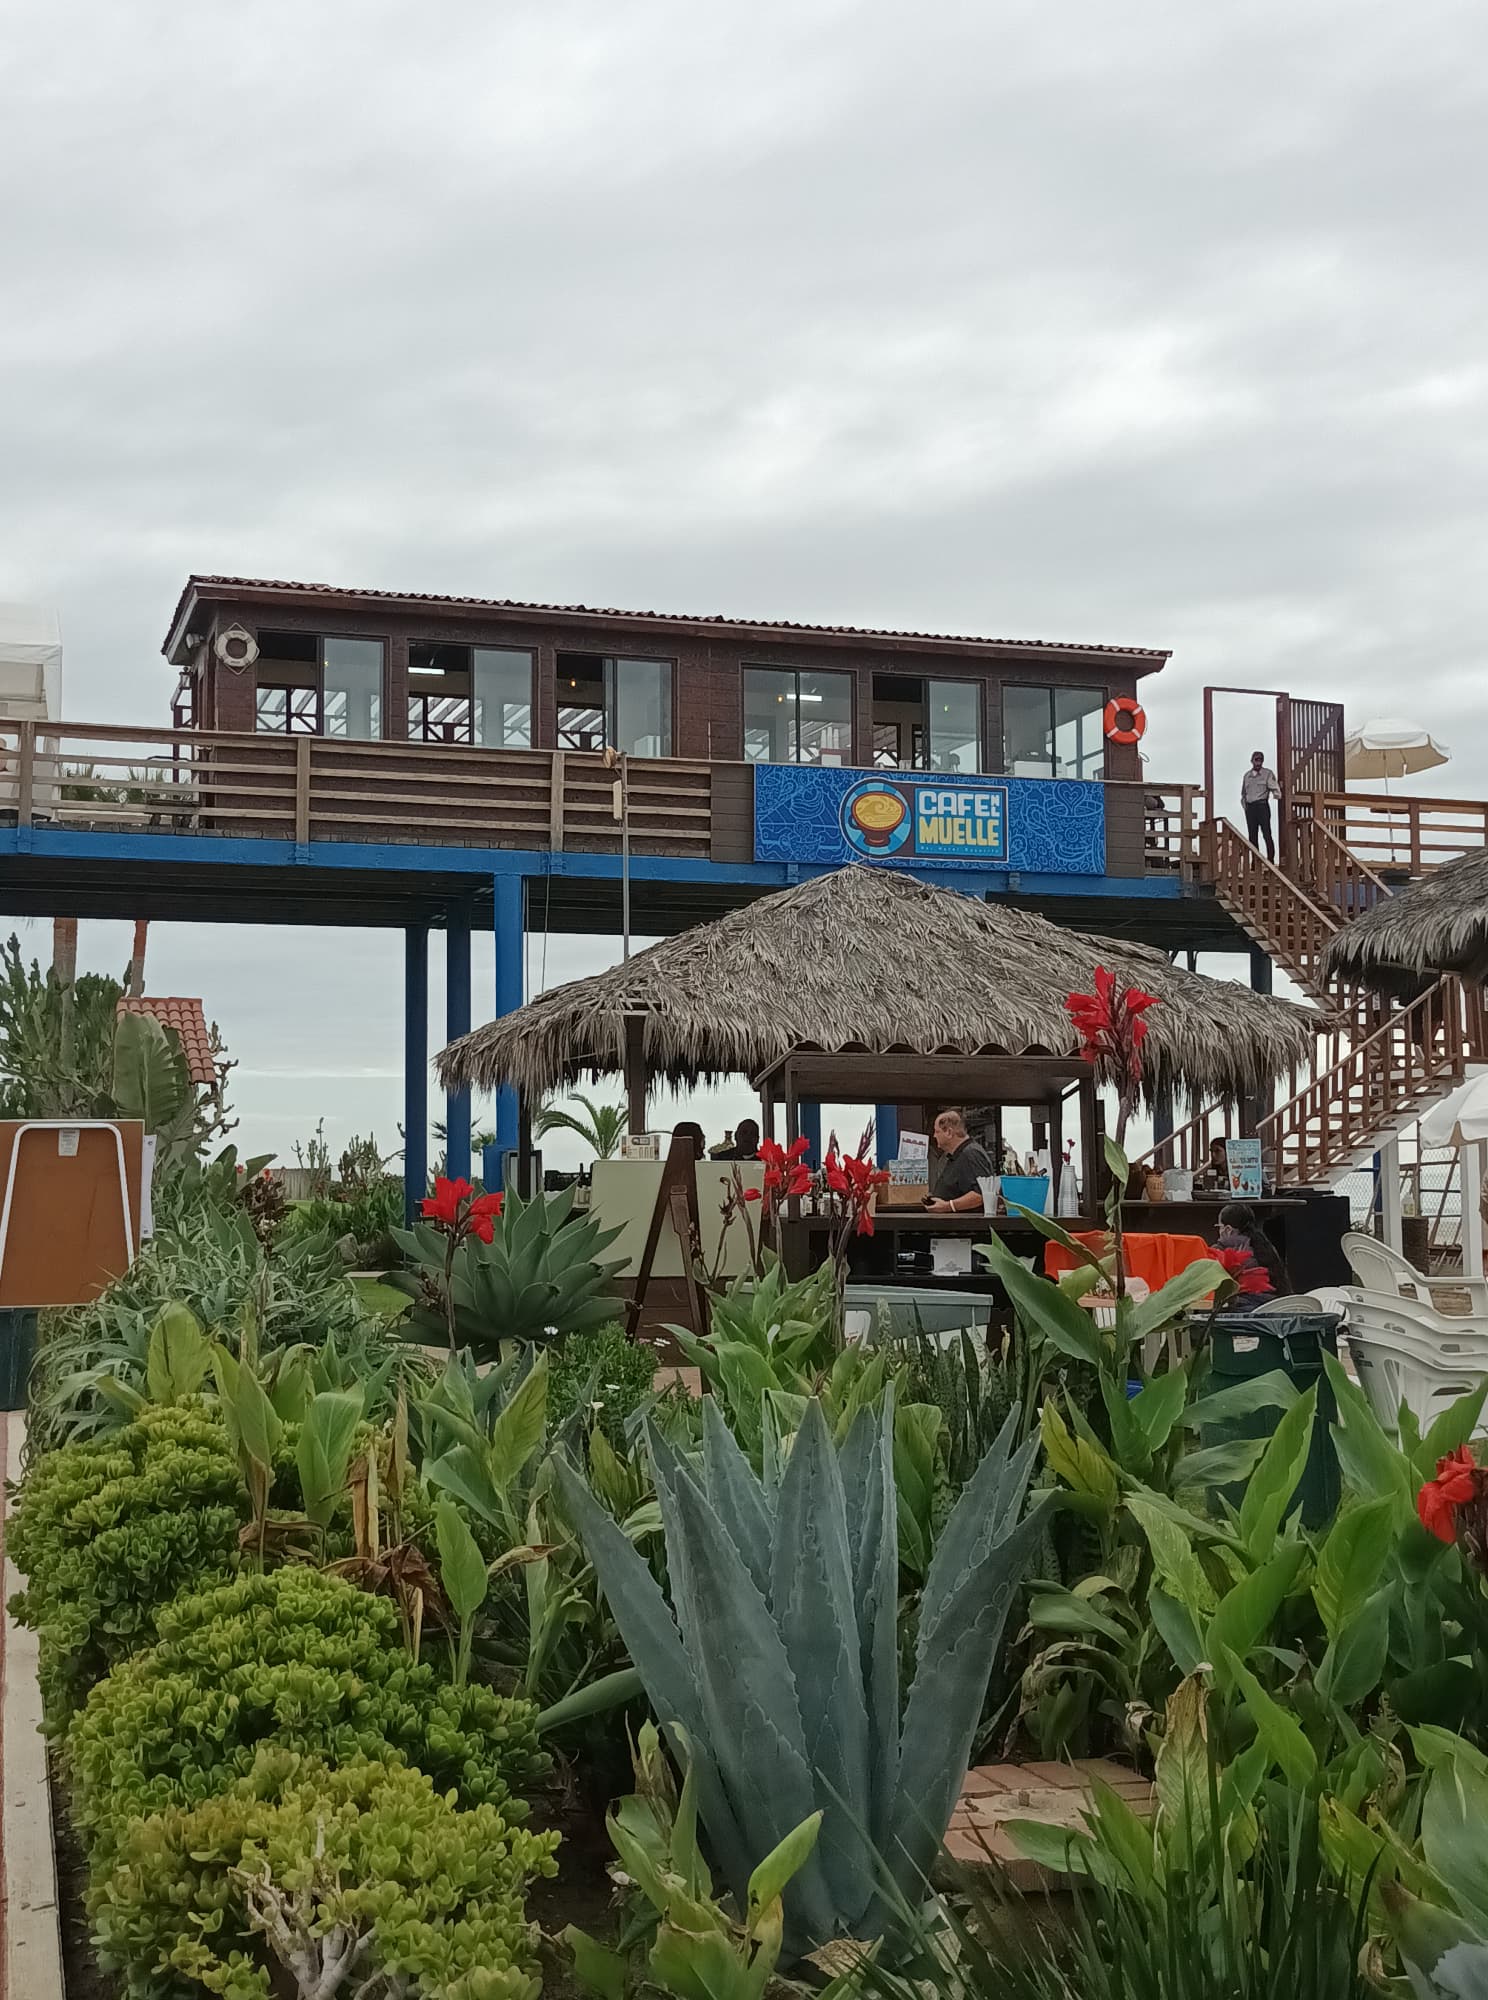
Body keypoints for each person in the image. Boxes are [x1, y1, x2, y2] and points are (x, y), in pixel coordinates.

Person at [1216, 1202, 1289, 1306]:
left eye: (1219, 1226)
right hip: (1278, 1304)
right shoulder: (1264, 1244)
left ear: (1228, 1229)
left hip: (1251, 1307)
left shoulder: (1225, 1248)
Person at [925, 1107, 996, 1214]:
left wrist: (949, 1206)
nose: (934, 1136)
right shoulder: (958, 1155)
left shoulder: (971, 1154)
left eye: (937, 1131)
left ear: (949, 1132)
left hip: (966, 1226)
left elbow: (980, 1194)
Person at [1241, 750, 1281, 861]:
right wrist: (1246, 807)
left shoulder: (1267, 774)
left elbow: (1276, 789)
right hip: (1250, 808)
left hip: (1262, 806)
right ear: (1252, 761)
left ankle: (1271, 860)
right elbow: (1243, 794)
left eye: (1260, 760)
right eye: (1256, 760)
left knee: (1266, 833)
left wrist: (1277, 796)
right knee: (1252, 836)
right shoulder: (1246, 776)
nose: (1258, 762)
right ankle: (1255, 862)